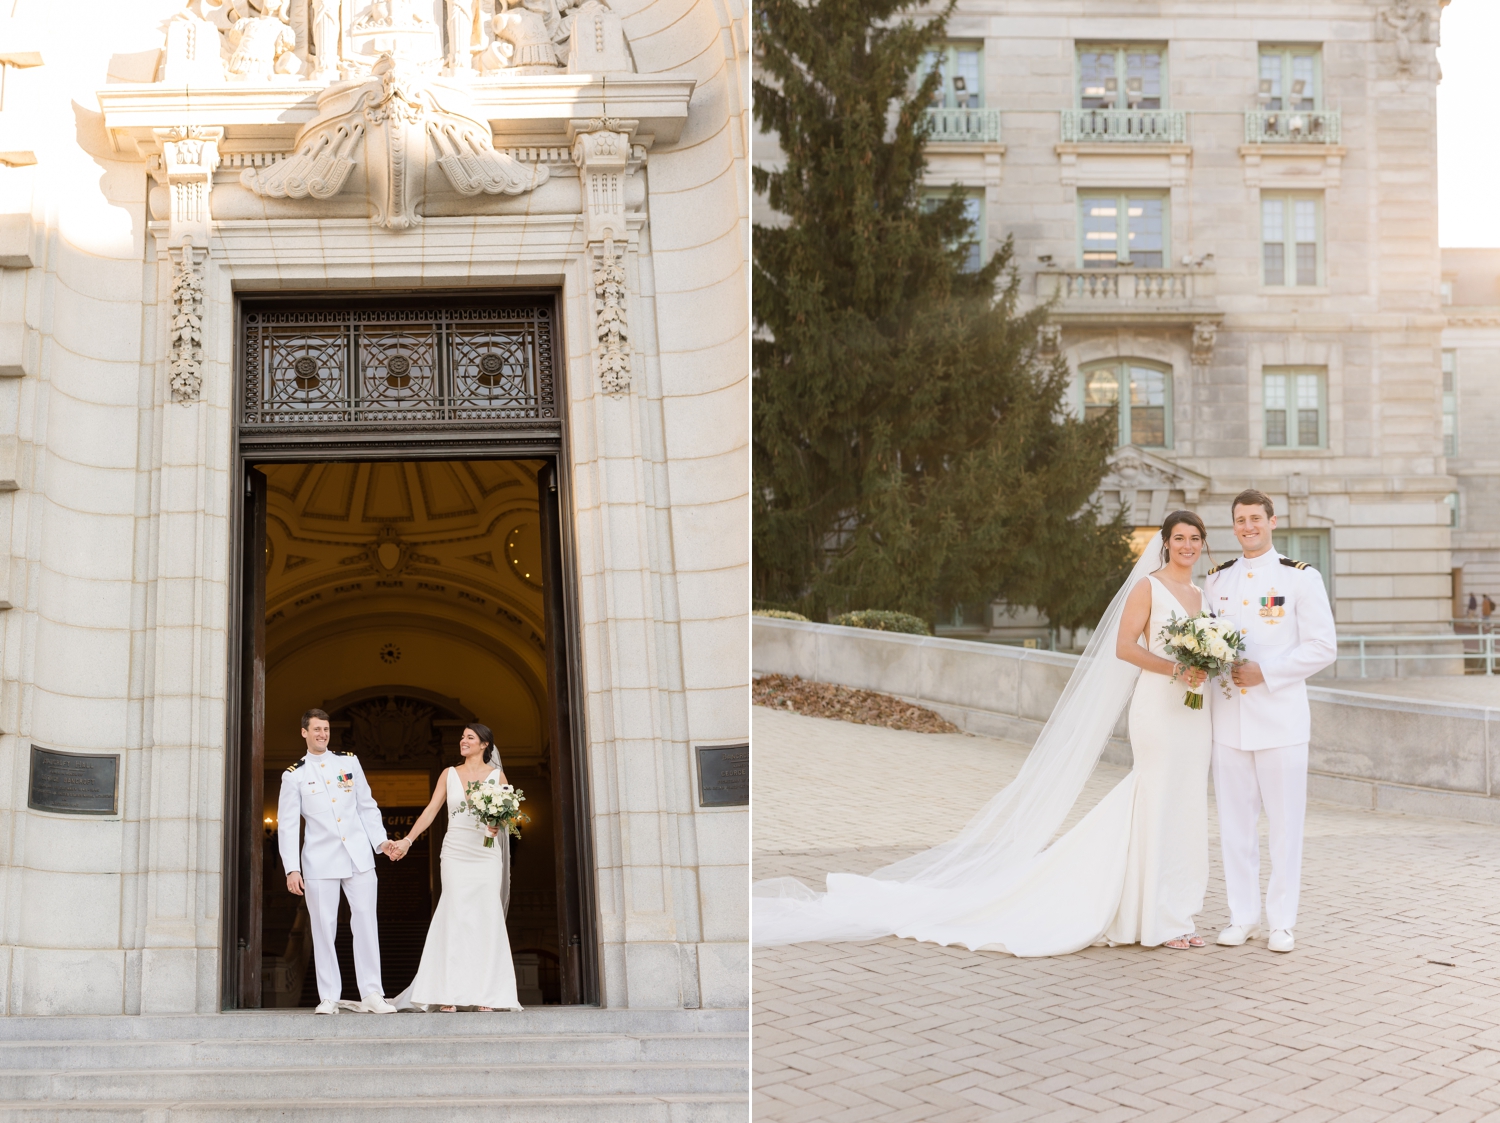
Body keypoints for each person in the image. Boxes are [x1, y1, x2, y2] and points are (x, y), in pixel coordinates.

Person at [753, 511, 1218, 957]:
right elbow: (1123, 648)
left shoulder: (1202, 594)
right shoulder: (1148, 587)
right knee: (1156, 796)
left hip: (1193, 713)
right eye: (1179, 538)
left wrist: (1207, 665)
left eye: (1194, 539)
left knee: (1184, 803)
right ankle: (1157, 919)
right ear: (1165, 542)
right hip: (1157, 707)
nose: (1187, 546)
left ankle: (1177, 912)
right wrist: (1177, 665)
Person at [1203, 489, 1336, 954]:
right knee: (1234, 828)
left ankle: (1281, 922)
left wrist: (1267, 672)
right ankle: (1242, 917)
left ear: (1272, 521)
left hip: (1280, 721)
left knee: (1284, 827)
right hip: (1230, 722)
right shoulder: (1216, 581)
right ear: (1234, 526)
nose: (1248, 527)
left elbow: (1323, 646)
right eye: (1240, 520)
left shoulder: (1300, 578)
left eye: (1255, 518)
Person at [389, 723, 522, 1011]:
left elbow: (507, 818)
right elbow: (431, 810)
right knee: (455, 914)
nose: (463, 741)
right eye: (462, 737)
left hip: (486, 854)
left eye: (469, 738)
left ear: (484, 744)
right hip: (455, 851)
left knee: (485, 917)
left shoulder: (497, 776)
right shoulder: (449, 774)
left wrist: (496, 824)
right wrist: (408, 840)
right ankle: (446, 993)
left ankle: (486, 995)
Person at [279, 708, 402, 1014]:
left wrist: (380, 841)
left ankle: (373, 993)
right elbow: (288, 825)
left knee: (365, 924)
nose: (322, 734)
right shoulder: (294, 775)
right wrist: (291, 867)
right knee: (323, 928)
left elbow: (367, 806)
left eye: (326, 729)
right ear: (304, 732)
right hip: (319, 861)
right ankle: (329, 996)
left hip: (359, 856)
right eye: (316, 729)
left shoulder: (348, 762)